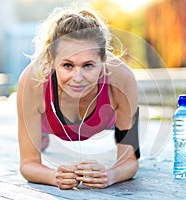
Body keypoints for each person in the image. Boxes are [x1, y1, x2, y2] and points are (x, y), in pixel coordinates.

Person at [17, 4, 140, 190]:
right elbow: (28, 164)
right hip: (49, 123)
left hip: (104, 119)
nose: (78, 78)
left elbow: (130, 160)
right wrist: (54, 176)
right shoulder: (31, 81)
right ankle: (42, 137)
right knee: (37, 140)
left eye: (88, 65)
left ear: (104, 60)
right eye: (68, 65)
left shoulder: (123, 79)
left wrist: (109, 175)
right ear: (52, 60)